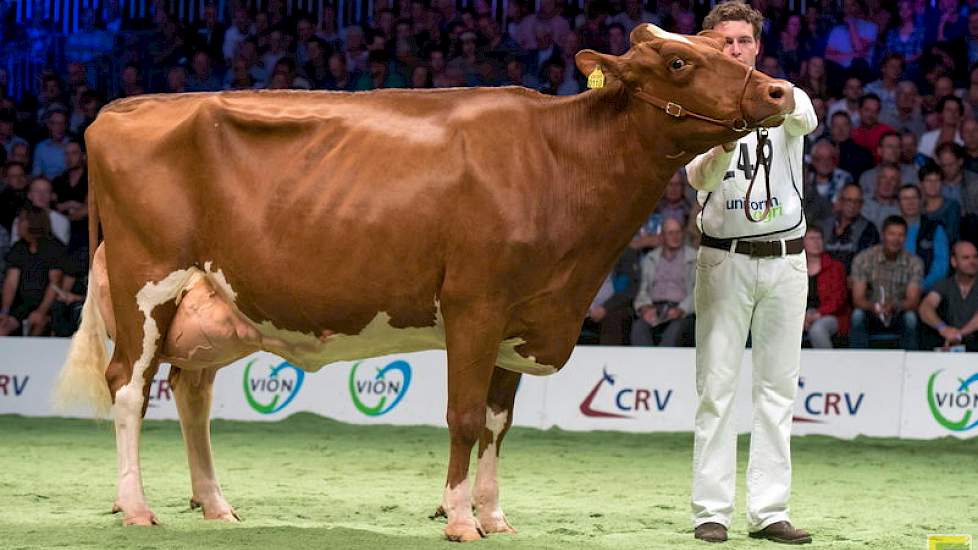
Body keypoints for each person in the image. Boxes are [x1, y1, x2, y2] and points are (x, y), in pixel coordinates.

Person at [686, 1, 815, 545]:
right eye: (725, 42)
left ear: (757, 45)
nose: (735, 49)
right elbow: (696, 178)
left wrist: (757, 103)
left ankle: (769, 511)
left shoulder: (786, 90)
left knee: (777, 392)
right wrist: (721, 139)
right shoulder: (697, 105)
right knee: (716, 390)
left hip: (786, 259)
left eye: (743, 40)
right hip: (724, 257)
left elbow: (803, 117)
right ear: (712, 45)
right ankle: (710, 512)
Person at [849, 216, 923, 350]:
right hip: (871, 312)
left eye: (901, 235)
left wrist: (894, 306)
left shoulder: (914, 263)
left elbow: (913, 301)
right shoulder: (863, 259)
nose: (896, 239)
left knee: (911, 318)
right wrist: (875, 307)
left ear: (905, 238)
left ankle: (911, 363)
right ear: (883, 235)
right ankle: (857, 362)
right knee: (857, 316)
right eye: (892, 234)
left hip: (898, 312)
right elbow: (858, 299)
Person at [0, 205, 66, 336]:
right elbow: (11, 283)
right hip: (22, 305)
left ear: (32, 223)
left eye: (20, 221)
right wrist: (5, 312)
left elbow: (55, 283)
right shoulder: (18, 248)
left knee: (37, 325)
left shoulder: (53, 248)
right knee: (2, 328)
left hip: (48, 306)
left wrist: (41, 311)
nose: (17, 224)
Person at [630, 218, 695, 347]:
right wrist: (645, 308)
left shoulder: (694, 258)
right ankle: (644, 366)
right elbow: (641, 289)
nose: (675, 236)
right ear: (662, 236)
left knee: (674, 332)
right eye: (670, 233)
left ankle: (664, 367)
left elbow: (698, 291)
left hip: (682, 311)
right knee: (639, 328)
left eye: (678, 232)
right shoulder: (650, 259)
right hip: (654, 308)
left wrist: (681, 309)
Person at [918, 241, 978, 351]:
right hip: (947, 344)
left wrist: (959, 334)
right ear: (954, 261)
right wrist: (943, 328)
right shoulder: (944, 284)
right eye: (966, 258)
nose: (972, 261)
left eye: (975, 257)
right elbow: (925, 307)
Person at [803, 226, 849, 348]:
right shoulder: (795, 267)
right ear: (802, 242)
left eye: (819, 238)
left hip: (830, 315)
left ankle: (829, 366)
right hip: (802, 315)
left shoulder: (835, 267)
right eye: (812, 238)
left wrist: (818, 314)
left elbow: (838, 299)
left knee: (817, 330)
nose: (816, 242)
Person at [898, 184, 949, 292]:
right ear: (899, 203)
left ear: (921, 201)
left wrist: (920, 287)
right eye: (905, 198)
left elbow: (941, 266)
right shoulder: (890, 228)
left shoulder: (935, 229)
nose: (910, 202)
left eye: (914, 198)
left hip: (926, 290)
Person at [821, 183, 880, 272]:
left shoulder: (869, 229)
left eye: (857, 201)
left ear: (861, 205)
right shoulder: (825, 225)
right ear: (840, 201)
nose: (852, 205)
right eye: (848, 200)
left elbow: (865, 262)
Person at [920, 164, 961, 243]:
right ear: (921, 184)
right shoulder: (918, 207)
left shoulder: (952, 205)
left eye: (937, 180)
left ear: (942, 183)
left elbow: (950, 236)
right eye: (928, 180)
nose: (933, 184)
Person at [861, 163, 901, 228]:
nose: (887, 183)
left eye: (893, 179)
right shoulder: (861, 202)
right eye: (884, 177)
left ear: (898, 184)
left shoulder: (901, 210)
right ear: (877, 180)